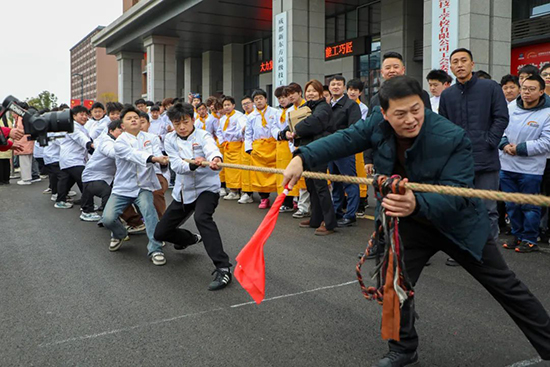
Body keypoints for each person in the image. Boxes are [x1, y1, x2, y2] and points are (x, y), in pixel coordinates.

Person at [283, 75, 550, 366]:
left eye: (416, 110)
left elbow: (459, 193)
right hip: (408, 226)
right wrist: (302, 157)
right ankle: (403, 348)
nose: (410, 119)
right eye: (400, 114)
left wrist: (416, 201)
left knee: (507, 287)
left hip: (457, 224)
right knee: (394, 287)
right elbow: (346, 138)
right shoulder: (376, 124)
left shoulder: (451, 136)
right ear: (384, 113)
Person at [439, 48, 509, 267]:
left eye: (463, 61)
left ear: (472, 63)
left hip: (486, 160)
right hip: (459, 163)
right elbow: (443, 124)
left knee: (488, 209)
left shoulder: (490, 87)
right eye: (455, 62)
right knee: (463, 209)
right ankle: (465, 250)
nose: (459, 65)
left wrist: (489, 140)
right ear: (450, 67)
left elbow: (501, 116)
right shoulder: (448, 94)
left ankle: (488, 255)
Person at [154, 102, 232, 291]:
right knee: (161, 232)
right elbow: (177, 166)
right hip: (183, 190)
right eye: (176, 123)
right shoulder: (170, 139)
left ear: (193, 119)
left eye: (185, 122)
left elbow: (212, 148)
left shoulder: (203, 135)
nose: (181, 127)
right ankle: (190, 239)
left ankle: (223, 268)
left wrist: (215, 160)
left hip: (206, 188)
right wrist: (193, 165)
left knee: (202, 218)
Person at [101, 106, 169, 266]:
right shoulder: (120, 142)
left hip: (143, 186)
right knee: (107, 219)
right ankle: (119, 233)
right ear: (122, 125)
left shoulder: (152, 138)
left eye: (136, 118)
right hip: (123, 188)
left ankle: (156, 249)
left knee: (149, 212)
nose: (133, 120)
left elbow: (158, 159)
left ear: (141, 122)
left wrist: (164, 163)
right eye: (129, 118)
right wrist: (153, 158)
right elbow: (133, 155)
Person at [499, 75, 550, 253]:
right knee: (511, 204)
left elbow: (546, 142)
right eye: (524, 88)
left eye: (532, 89)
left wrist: (519, 148)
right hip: (506, 165)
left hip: (531, 168)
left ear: (542, 91)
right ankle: (517, 234)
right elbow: (500, 128)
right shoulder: (511, 106)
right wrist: (504, 144)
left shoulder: (548, 112)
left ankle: (529, 238)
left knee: (529, 204)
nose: (526, 92)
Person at [280, 79, 337, 235]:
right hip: (307, 149)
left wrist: (296, 130)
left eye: (314, 90)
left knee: (321, 185)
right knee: (311, 185)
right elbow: (291, 123)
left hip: (319, 149)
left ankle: (329, 222)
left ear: (319, 93)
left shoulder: (323, 107)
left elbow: (314, 122)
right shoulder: (306, 107)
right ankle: (316, 219)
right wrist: (286, 132)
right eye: (308, 91)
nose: (311, 93)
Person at [327, 75, 362, 227]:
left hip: (344, 149)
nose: (335, 87)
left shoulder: (351, 105)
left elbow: (354, 128)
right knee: (335, 182)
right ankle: (337, 211)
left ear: (344, 88)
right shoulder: (327, 105)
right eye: (333, 84)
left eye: (339, 84)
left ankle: (351, 214)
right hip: (330, 148)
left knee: (349, 181)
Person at [80, 120, 123, 222]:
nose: (123, 133)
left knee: (121, 192)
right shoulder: (107, 141)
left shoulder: (118, 141)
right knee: (107, 192)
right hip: (93, 177)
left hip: (106, 176)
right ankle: (108, 218)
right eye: (120, 130)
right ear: (111, 131)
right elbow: (111, 152)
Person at [245, 89, 279, 209]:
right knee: (260, 174)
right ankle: (264, 198)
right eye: (256, 99)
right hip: (258, 147)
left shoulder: (275, 112)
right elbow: (248, 134)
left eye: (261, 98)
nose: (259, 101)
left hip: (273, 146)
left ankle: (283, 199)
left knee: (277, 172)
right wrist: (249, 148)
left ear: (266, 99)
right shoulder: (251, 116)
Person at [56, 105, 94, 209]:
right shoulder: (72, 126)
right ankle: (87, 207)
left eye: (86, 115)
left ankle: (60, 200)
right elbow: (80, 137)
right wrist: (90, 144)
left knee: (66, 181)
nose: (85, 117)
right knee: (85, 181)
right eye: (81, 114)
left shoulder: (81, 127)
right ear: (74, 116)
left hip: (69, 159)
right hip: (73, 159)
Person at [282, 83, 311, 218]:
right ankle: (303, 207)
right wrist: (287, 133)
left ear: (300, 93)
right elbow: (288, 128)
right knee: (301, 179)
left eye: (293, 93)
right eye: (288, 95)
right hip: (296, 146)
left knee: (317, 179)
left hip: (311, 146)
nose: (290, 96)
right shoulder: (290, 110)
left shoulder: (310, 106)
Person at [139, 111, 170, 219]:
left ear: (149, 123)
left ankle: (163, 222)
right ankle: (135, 221)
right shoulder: (126, 139)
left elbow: (158, 153)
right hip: (134, 175)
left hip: (155, 173)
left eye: (142, 122)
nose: (139, 125)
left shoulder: (153, 138)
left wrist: (161, 160)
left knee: (157, 192)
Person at [346, 78, 370, 217]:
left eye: (355, 90)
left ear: (360, 92)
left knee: (359, 172)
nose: (352, 92)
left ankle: (362, 201)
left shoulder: (363, 108)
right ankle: (348, 201)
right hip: (345, 143)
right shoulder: (343, 105)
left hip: (358, 142)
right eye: (350, 89)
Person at [216, 96, 245, 200]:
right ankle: (232, 190)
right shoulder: (223, 118)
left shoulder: (239, 116)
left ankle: (241, 190)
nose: (226, 107)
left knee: (238, 169)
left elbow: (242, 130)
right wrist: (222, 141)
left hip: (237, 145)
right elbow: (219, 131)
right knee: (229, 169)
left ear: (233, 105)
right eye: (225, 105)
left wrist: (237, 135)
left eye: (228, 105)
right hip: (227, 146)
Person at [12, 103, 37, 186]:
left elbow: (19, 128)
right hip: (29, 140)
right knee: (28, 160)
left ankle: (26, 179)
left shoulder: (21, 117)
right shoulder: (28, 115)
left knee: (24, 161)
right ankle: (28, 177)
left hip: (22, 141)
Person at [238, 96, 255, 204]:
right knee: (246, 170)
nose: (246, 106)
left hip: (261, 144)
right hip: (247, 145)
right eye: (244, 104)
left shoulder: (259, 114)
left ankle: (265, 195)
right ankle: (248, 193)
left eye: (248, 103)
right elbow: (241, 130)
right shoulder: (242, 117)